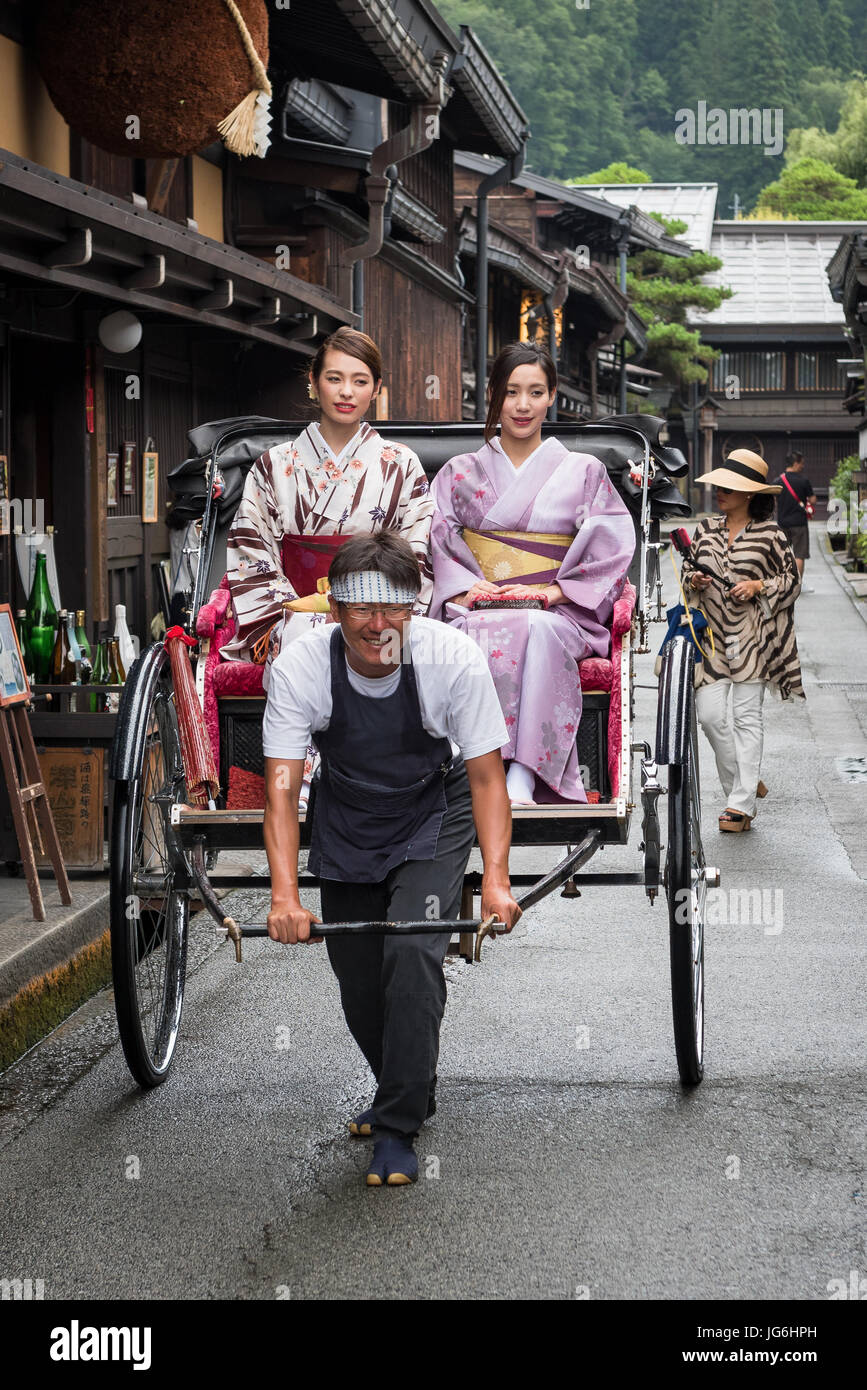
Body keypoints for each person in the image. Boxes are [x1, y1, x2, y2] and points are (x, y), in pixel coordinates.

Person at [262, 531, 522, 1188]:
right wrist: (284, 895)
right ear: (333, 608)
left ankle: (398, 1125)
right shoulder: (299, 667)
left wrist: (494, 879)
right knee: (355, 969)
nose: (378, 625)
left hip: (436, 805)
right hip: (348, 805)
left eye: (393, 608)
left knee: (410, 945)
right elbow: (284, 788)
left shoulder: (451, 659)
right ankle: (404, 1084)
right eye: (360, 608)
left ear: (415, 606)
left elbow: (488, 779)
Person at [429, 342, 634, 806]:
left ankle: (524, 771)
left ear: (552, 396)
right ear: (494, 395)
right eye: (511, 392)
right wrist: (462, 585)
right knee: (461, 637)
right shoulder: (460, 472)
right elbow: (434, 536)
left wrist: (553, 592)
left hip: (558, 611)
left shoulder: (585, 471)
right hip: (479, 604)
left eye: (535, 392)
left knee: (537, 629)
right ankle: (473, 763)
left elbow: (611, 544)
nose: (523, 405)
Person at [222, 327, 434, 675]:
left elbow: (417, 552)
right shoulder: (275, 464)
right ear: (314, 381)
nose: (346, 392)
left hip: (379, 613)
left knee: (392, 645)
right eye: (334, 378)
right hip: (294, 611)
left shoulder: (401, 464)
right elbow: (252, 549)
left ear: (377, 387)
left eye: (360, 381)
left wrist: (369, 608)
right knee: (299, 639)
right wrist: (296, 609)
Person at [683, 448, 804, 834]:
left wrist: (758, 585)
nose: (720, 491)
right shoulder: (705, 529)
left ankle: (739, 804)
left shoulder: (771, 534)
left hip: (753, 638)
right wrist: (695, 579)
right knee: (710, 717)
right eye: (720, 485)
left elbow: (790, 581)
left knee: (747, 718)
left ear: (750, 494)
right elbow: (687, 571)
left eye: (730, 487)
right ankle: (746, 781)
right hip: (711, 640)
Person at [775, 451, 817, 586]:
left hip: (782, 523)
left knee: (782, 554)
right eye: (801, 463)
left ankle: (782, 583)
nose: (802, 466)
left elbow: (773, 501)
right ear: (795, 463)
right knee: (799, 554)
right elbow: (813, 499)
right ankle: (797, 584)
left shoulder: (778, 481)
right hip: (799, 523)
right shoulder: (804, 481)